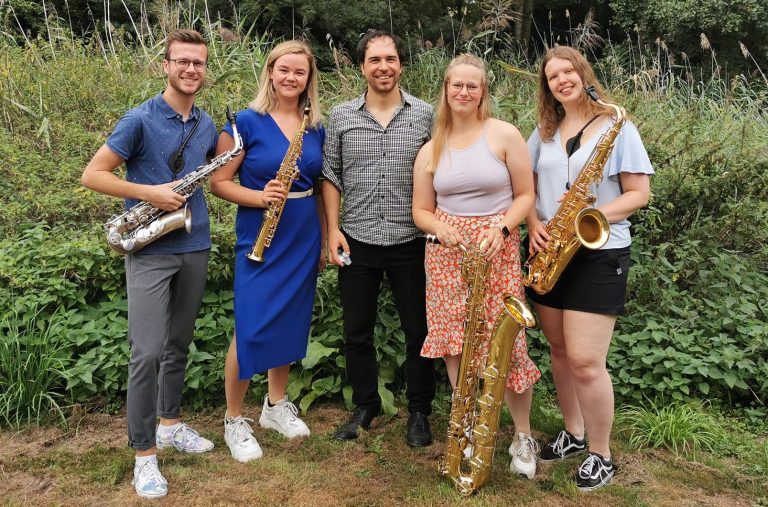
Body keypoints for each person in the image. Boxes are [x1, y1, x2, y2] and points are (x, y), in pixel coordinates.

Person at [81, 29, 217, 499]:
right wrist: (149, 193)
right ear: (165, 64)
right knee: (147, 354)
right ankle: (144, 457)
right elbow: (92, 174)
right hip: (151, 248)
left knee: (179, 344)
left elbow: (215, 175)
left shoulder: (205, 123)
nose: (191, 70)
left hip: (194, 242)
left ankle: (171, 424)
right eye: (182, 61)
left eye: (198, 63)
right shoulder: (139, 119)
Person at [526, 46, 653, 491]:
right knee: (559, 351)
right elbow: (526, 186)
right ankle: (574, 433)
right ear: (547, 86)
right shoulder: (543, 129)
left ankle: (602, 453)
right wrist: (534, 222)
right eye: (552, 75)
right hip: (550, 250)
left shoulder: (617, 126)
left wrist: (593, 212)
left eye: (568, 71)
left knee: (585, 360)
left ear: (583, 74)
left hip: (598, 251)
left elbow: (638, 193)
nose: (562, 79)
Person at [412, 54, 541, 478]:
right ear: (445, 90)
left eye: (472, 85)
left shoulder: (503, 134)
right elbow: (421, 212)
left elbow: (525, 196)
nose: (464, 92)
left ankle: (522, 435)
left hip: (496, 248)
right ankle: (466, 427)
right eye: (456, 85)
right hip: (448, 254)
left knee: (508, 341)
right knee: (455, 340)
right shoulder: (431, 148)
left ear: (483, 91)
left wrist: (501, 231)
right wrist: (441, 229)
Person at [210, 40, 325, 463]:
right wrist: (260, 197)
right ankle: (233, 419)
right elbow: (218, 183)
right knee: (251, 323)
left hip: (302, 233)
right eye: (284, 70)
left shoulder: (315, 126)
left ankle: (275, 406)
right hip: (259, 232)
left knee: (292, 320)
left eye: (300, 72)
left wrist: (326, 237)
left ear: (308, 78)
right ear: (270, 73)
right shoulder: (244, 123)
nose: (291, 78)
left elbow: (318, 188)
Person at [322, 30, 436, 447]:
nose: (383, 67)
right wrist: (332, 230)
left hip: (412, 239)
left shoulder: (425, 115)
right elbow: (330, 174)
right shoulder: (341, 116)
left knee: (418, 331)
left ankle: (420, 411)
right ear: (362, 66)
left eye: (390, 59)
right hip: (357, 238)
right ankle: (365, 406)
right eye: (374, 60)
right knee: (357, 331)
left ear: (401, 64)